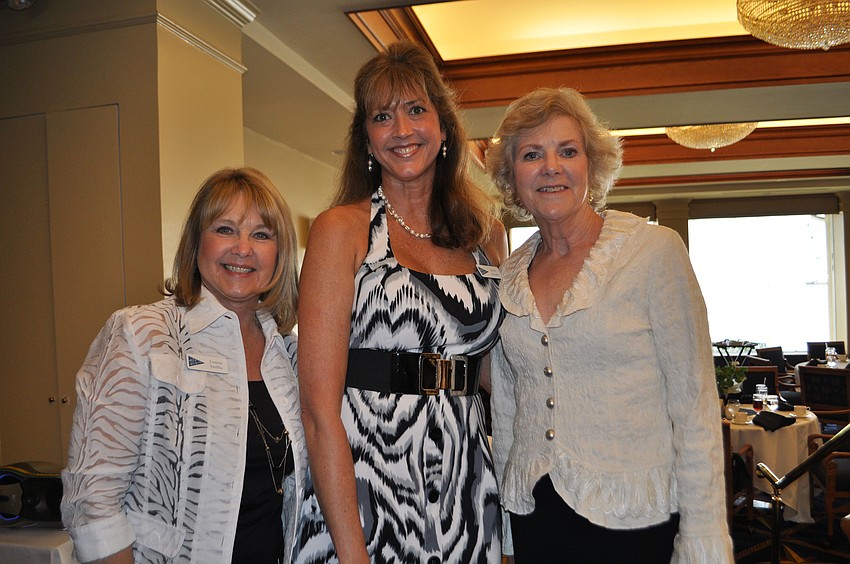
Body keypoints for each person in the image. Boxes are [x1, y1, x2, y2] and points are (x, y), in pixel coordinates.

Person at [486, 87, 734, 563]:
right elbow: (509, 406)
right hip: (538, 516)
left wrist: (702, 539)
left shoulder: (653, 252)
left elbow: (695, 405)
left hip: (634, 518)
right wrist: (508, 531)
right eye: (531, 155)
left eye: (567, 151)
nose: (551, 167)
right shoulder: (509, 275)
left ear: (592, 166)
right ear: (511, 176)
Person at [294, 41, 506, 564]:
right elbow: (319, 413)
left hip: (466, 486)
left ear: (444, 127)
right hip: (367, 486)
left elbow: (497, 375)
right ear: (366, 138)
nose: (402, 130)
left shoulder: (485, 235)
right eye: (382, 117)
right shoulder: (342, 231)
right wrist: (352, 552)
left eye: (416, 110)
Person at [61, 167, 305, 564]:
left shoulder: (290, 355)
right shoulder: (141, 333)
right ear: (197, 242)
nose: (243, 248)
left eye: (261, 234)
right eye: (225, 229)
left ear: (280, 253)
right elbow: (92, 501)